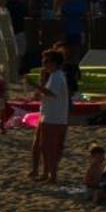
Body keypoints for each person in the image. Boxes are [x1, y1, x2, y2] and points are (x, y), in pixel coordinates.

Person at [29, 49, 70, 183]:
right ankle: (47, 173)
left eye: (46, 61)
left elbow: (51, 93)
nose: (44, 64)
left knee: (49, 147)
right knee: (45, 146)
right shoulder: (54, 76)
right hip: (51, 116)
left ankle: (52, 175)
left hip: (54, 117)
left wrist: (34, 85)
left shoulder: (57, 76)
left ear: (53, 63)